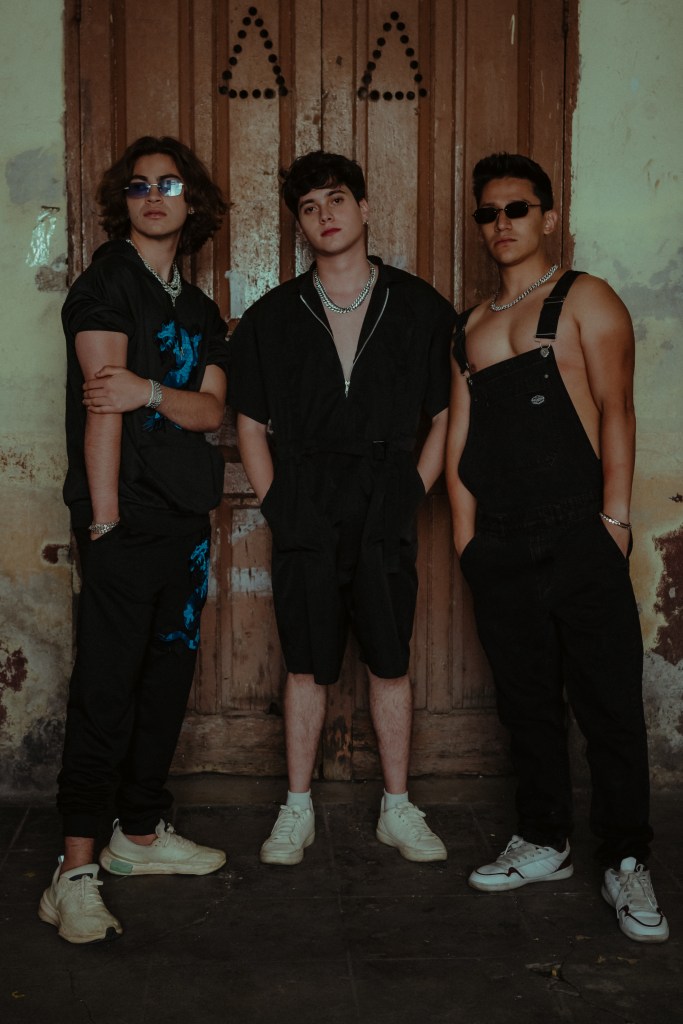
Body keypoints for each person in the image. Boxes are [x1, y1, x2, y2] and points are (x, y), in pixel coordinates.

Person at [446, 152, 668, 943]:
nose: (500, 223)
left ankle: (626, 859)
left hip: (579, 532)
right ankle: (543, 838)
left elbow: (616, 409)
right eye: (487, 212)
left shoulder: (585, 299)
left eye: (515, 208)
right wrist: (467, 541)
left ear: (546, 216)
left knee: (608, 706)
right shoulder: (469, 326)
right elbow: (460, 440)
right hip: (500, 543)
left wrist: (612, 522)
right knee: (526, 704)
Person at [227, 151, 456, 866]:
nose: (324, 214)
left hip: (386, 498)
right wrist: (281, 507)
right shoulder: (272, 316)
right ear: (299, 225)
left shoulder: (419, 307)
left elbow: (447, 415)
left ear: (363, 208)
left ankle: (397, 806)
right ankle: (296, 809)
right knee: (305, 662)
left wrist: (411, 492)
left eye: (336, 199)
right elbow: (250, 425)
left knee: (390, 660)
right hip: (305, 500)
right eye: (309, 207)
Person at [39, 136, 230, 944]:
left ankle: (139, 835)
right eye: (140, 185)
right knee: (107, 690)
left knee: (164, 682)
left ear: (192, 204)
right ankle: (74, 870)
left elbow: (210, 410)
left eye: (171, 184)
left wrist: (152, 389)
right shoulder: (106, 284)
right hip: (123, 522)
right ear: (123, 201)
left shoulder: (201, 309)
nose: (155, 195)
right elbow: (101, 409)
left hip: (185, 524)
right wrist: (106, 522)